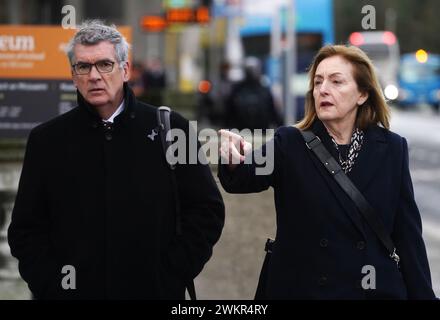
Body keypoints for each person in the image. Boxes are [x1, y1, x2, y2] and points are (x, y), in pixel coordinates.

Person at [8, 21, 225, 300]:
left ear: (125, 70)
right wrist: (54, 285)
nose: (94, 75)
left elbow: (206, 210)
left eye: (105, 64)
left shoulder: (171, 129)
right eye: (83, 67)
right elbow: (26, 229)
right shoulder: (46, 141)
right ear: (74, 76)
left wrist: (170, 273)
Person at [218, 45, 436, 299]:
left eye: (336, 81)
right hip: (306, 290)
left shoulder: (392, 148)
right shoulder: (289, 143)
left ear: (362, 94)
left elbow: (408, 236)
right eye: (318, 81)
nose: (323, 89)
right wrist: (233, 156)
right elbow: (242, 178)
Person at [225, 56, 282, 130]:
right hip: (241, 133)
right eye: (249, 70)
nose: (252, 72)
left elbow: (273, 112)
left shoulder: (264, 90)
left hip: (262, 134)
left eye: (253, 69)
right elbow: (229, 112)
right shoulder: (237, 90)